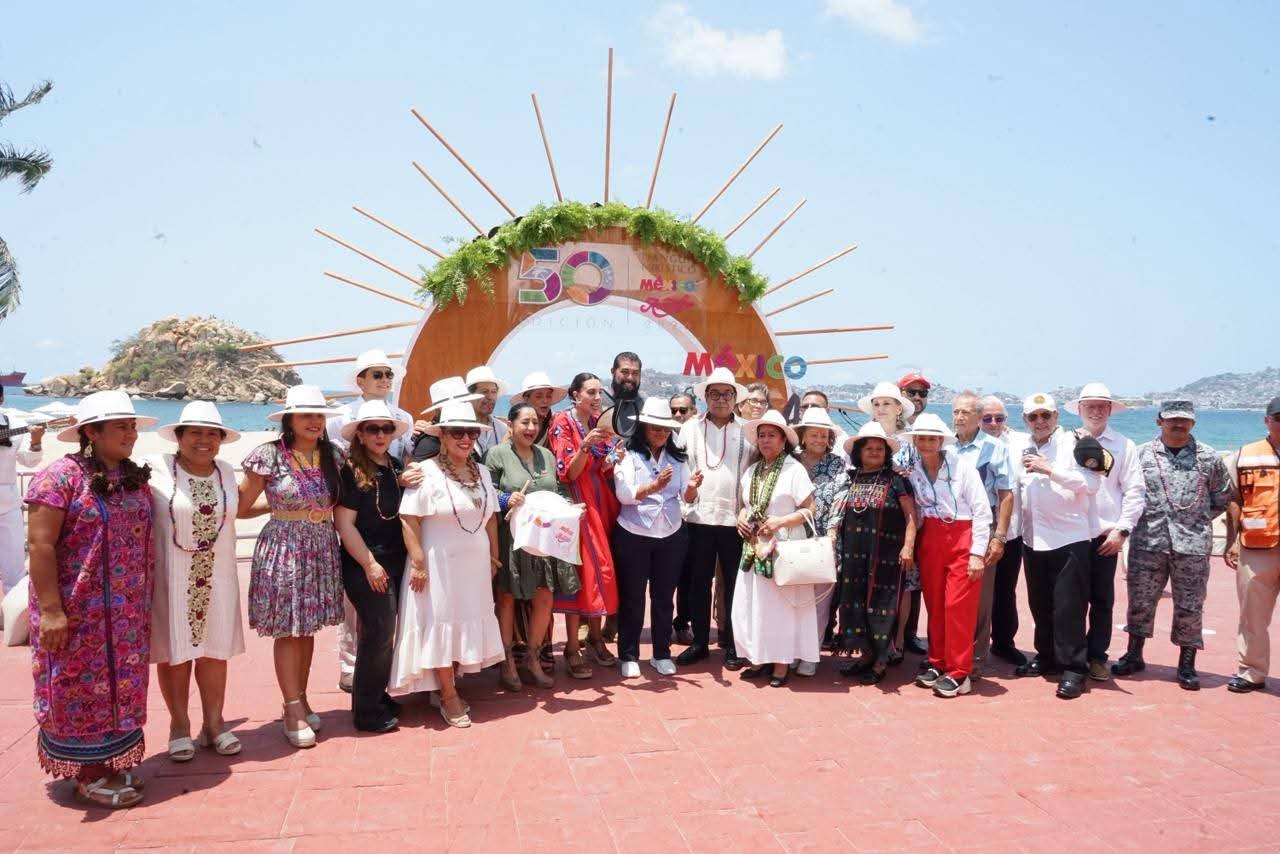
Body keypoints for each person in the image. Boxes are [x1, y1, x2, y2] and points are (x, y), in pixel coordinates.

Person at [24, 390, 157, 808]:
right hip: (77, 612)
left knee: (122, 687)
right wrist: (51, 611)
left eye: (132, 426)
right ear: (91, 433)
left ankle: (110, 762)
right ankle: (87, 774)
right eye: (120, 427)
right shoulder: (59, 478)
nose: (130, 434)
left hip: (126, 615)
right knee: (77, 688)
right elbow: (40, 545)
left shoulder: (133, 477)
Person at [238, 385, 345, 748]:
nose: (314, 421)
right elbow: (241, 507)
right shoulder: (269, 455)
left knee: (307, 627)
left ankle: (301, 698)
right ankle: (291, 708)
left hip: (321, 544)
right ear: (289, 419)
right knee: (289, 629)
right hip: (284, 546)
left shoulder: (333, 454)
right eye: (306, 415)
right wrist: (280, 505)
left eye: (319, 415)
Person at [392, 402, 504, 728]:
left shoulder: (482, 472)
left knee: (462, 620)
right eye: (457, 432)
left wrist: (493, 556)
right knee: (440, 621)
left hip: (474, 562)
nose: (465, 438)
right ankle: (448, 695)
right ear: (441, 435)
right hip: (437, 562)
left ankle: (445, 683)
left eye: (471, 432)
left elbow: (491, 519)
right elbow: (408, 518)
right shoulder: (424, 471)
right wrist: (418, 563)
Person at [146, 401, 245, 761]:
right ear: (179, 436)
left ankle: (214, 724)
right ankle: (179, 725)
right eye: (195, 433)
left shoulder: (226, 472)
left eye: (211, 434)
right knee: (175, 653)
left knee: (214, 651)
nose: (204, 440)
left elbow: (240, 509)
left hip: (218, 575)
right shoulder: (155, 468)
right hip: (172, 577)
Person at [1112, 400, 1231, 690]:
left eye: (1184, 420)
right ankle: (1134, 654)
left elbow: (1222, 496)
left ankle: (1187, 663)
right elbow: (1125, 493)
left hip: (1192, 545)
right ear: (1159, 421)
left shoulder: (1208, 457)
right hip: (1148, 541)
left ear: (1193, 423)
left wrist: (1194, 520)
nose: (1178, 424)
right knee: (1140, 602)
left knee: (1190, 604)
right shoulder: (1141, 455)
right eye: (1172, 419)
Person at [326, 350, 421, 694]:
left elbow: (407, 460)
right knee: (357, 609)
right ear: (360, 380)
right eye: (376, 374)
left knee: (386, 615)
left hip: (390, 508)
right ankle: (351, 668)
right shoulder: (339, 417)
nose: (384, 379)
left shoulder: (404, 417)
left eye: (388, 374)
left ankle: (379, 674)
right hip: (357, 502)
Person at [1012, 393, 1100, 700]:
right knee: (1040, 604)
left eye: (1045, 415)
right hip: (1033, 538)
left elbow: (1092, 484)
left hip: (1068, 538)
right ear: (1025, 420)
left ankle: (1074, 668)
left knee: (1069, 607)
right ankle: (1047, 656)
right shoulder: (1021, 446)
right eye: (1033, 417)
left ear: (1056, 417)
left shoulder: (1076, 443)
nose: (1040, 421)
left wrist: (1050, 469)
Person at [486, 402, 579, 690]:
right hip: (511, 537)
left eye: (535, 423)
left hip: (544, 539)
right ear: (511, 425)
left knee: (545, 598)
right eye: (524, 422)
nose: (530, 428)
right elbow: (487, 491)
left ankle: (532, 658)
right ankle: (507, 663)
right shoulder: (497, 454)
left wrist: (570, 508)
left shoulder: (546, 455)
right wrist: (506, 499)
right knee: (507, 597)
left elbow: (559, 489)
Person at [335, 400, 411, 733]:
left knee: (383, 632)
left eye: (386, 428)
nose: (380, 434)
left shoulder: (394, 466)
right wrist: (369, 564)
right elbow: (344, 524)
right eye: (373, 429)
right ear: (361, 434)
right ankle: (366, 712)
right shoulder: (351, 470)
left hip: (395, 560)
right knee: (378, 632)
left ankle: (377, 696)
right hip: (364, 563)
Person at [612, 398, 702, 678]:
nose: (662, 433)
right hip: (634, 532)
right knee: (633, 597)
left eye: (666, 429)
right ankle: (629, 654)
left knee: (664, 597)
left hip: (671, 533)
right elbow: (624, 495)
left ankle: (661, 652)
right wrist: (654, 486)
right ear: (643, 428)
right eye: (656, 428)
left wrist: (691, 488)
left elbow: (686, 497)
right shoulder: (627, 455)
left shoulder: (678, 458)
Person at [907, 414, 992, 698]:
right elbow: (918, 511)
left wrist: (977, 553)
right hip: (931, 538)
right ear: (914, 440)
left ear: (941, 441)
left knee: (958, 606)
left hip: (962, 536)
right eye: (921, 438)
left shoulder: (962, 468)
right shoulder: (914, 471)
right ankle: (938, 661)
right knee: (935, 604)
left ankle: (959, 672)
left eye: (932, 438)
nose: (926, 443)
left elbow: (982, 511)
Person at [1065, 383, 1144, 681]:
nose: (1096, 411)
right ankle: (1071, 657)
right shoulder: (1064, 441)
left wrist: (1122, 530)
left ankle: (1097, 656)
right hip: (1069, 534)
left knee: (1101, 601)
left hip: (1104, 537)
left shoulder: (1125, 445)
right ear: (1080, 409)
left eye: (1102, 406)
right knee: (1070, 601)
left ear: (1110, 410)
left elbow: (1135, 491)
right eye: (1090, 406)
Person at [732, 409, 818, 687]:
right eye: (762, 436)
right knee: (753, 604)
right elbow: (745, 505)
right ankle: (758, 657)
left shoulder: (794, 469)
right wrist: (741, 518)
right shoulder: (753, 470)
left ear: (783, 440)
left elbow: (810, 509)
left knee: (781, 608)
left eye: (772, 435)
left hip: (783, 546)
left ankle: (781, 664)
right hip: (754, 545)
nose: (766, 440)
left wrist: (780, 521)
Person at [676, 366, 752, 670]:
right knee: (698, 583)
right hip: (698, 518)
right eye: (715, 394)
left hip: (735, 521)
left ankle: (733, 643)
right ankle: (699, 643)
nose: (721, 399)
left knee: (734, 585)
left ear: (735, 398)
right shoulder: (689, 428)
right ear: (706, 397)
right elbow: (679, 469)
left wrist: (747, 510)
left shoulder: (747, 430)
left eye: (727, 394)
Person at [830, 422, 917, 684]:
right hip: (854, 556)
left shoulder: (897, 480)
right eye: (869, 448)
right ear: (859, 452)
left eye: (879, 448)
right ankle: (866, 655)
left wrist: (908, 546)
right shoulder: (850, 478)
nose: (874, 452)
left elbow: (911, 516)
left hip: (886, 556)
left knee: (882, 605)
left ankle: (881, 661)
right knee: (855, 603)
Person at [548, 372, 621, 678]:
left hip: (600, 502)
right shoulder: (562, 423)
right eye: (591, 392)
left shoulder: (595, 423)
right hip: (578, 503)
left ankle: (594, 637)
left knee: (601, 570)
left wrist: (612, 458)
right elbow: (568, 472)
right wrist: (586, 447)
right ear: (575, 394)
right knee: (581, 573)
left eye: (599, 392)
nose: (597, 398)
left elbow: (601, 469)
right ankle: (571, 648)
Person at [950, 391, 1014, 678]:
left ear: (978, 417)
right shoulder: (946, 446)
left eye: (966, 412)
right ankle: (950, 654)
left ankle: (974, 660)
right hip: (950, 527)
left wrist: (999, 536)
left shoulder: (995, 448)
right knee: (951, 595)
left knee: (979, 597)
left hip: (982, 525)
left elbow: (1006, 494)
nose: (960, 417)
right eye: (956, 412)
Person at [859, 380, 923, 657]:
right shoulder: (864, 436)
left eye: (887, 403)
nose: (881, 408)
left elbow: (920, 483)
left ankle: (898, 639)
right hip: (868, 522)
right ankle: (870, 641)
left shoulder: (910, 442)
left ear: (899, 408)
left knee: (904, 583)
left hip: (901, 523)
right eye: (877, 403)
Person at [1224, 395, 1280, 692]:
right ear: (1267, 420)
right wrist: (1232, 541)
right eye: (1279, 418)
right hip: (1257, 547)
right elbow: (1233, 499)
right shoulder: (1246, 455)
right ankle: (1251, 672)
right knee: (1253, 616)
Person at [793, 405, 848, 671]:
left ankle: (811, 655)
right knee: (793, 599)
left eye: (824, 435)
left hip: (825, 538)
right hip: (792, 537)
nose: (819, 439)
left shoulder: (837, 464)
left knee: (819, 602)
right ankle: (792, 650)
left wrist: (832, 533)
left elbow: (841, 497)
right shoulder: (790, 460)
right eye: (814, 434)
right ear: (803, 435)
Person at [980, 395, 1031, 665]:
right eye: (987, 418)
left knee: (1005, 590)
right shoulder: (971, 444)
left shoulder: (1021, 442)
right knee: (976, 592)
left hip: (1011, 531)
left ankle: (1003, 642)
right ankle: (971, 645)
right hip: (979, 531)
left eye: (998, 418)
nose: (993, 423)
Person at [1, 383, 44, 593]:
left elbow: (29, 461)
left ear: (1, 400)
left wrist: (36, 441)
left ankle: (12, 609)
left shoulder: (16, 425)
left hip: (7, 503)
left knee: (15, 563)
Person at [411, 376, 483, 462]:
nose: (462, 407)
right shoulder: (430, 443)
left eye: (464, 402)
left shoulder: (467, 429)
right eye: (457, 432)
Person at [509, 371, 568, 447]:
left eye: (548, 396)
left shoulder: (554, 423)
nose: (545, 401)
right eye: (538, 396)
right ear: (526, 398)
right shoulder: (516, 426)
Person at [465, 365, 510, 457]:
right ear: (470, 396)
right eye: (484, 392)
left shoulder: (502, 428)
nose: (490, 397)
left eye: (494, 392)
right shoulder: (459, 429)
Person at [798, 389, 850, 463]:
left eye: (815, 406)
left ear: (827, 411)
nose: (809, 409)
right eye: (805, 406)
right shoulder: (790, 437)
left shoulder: (842, 440)